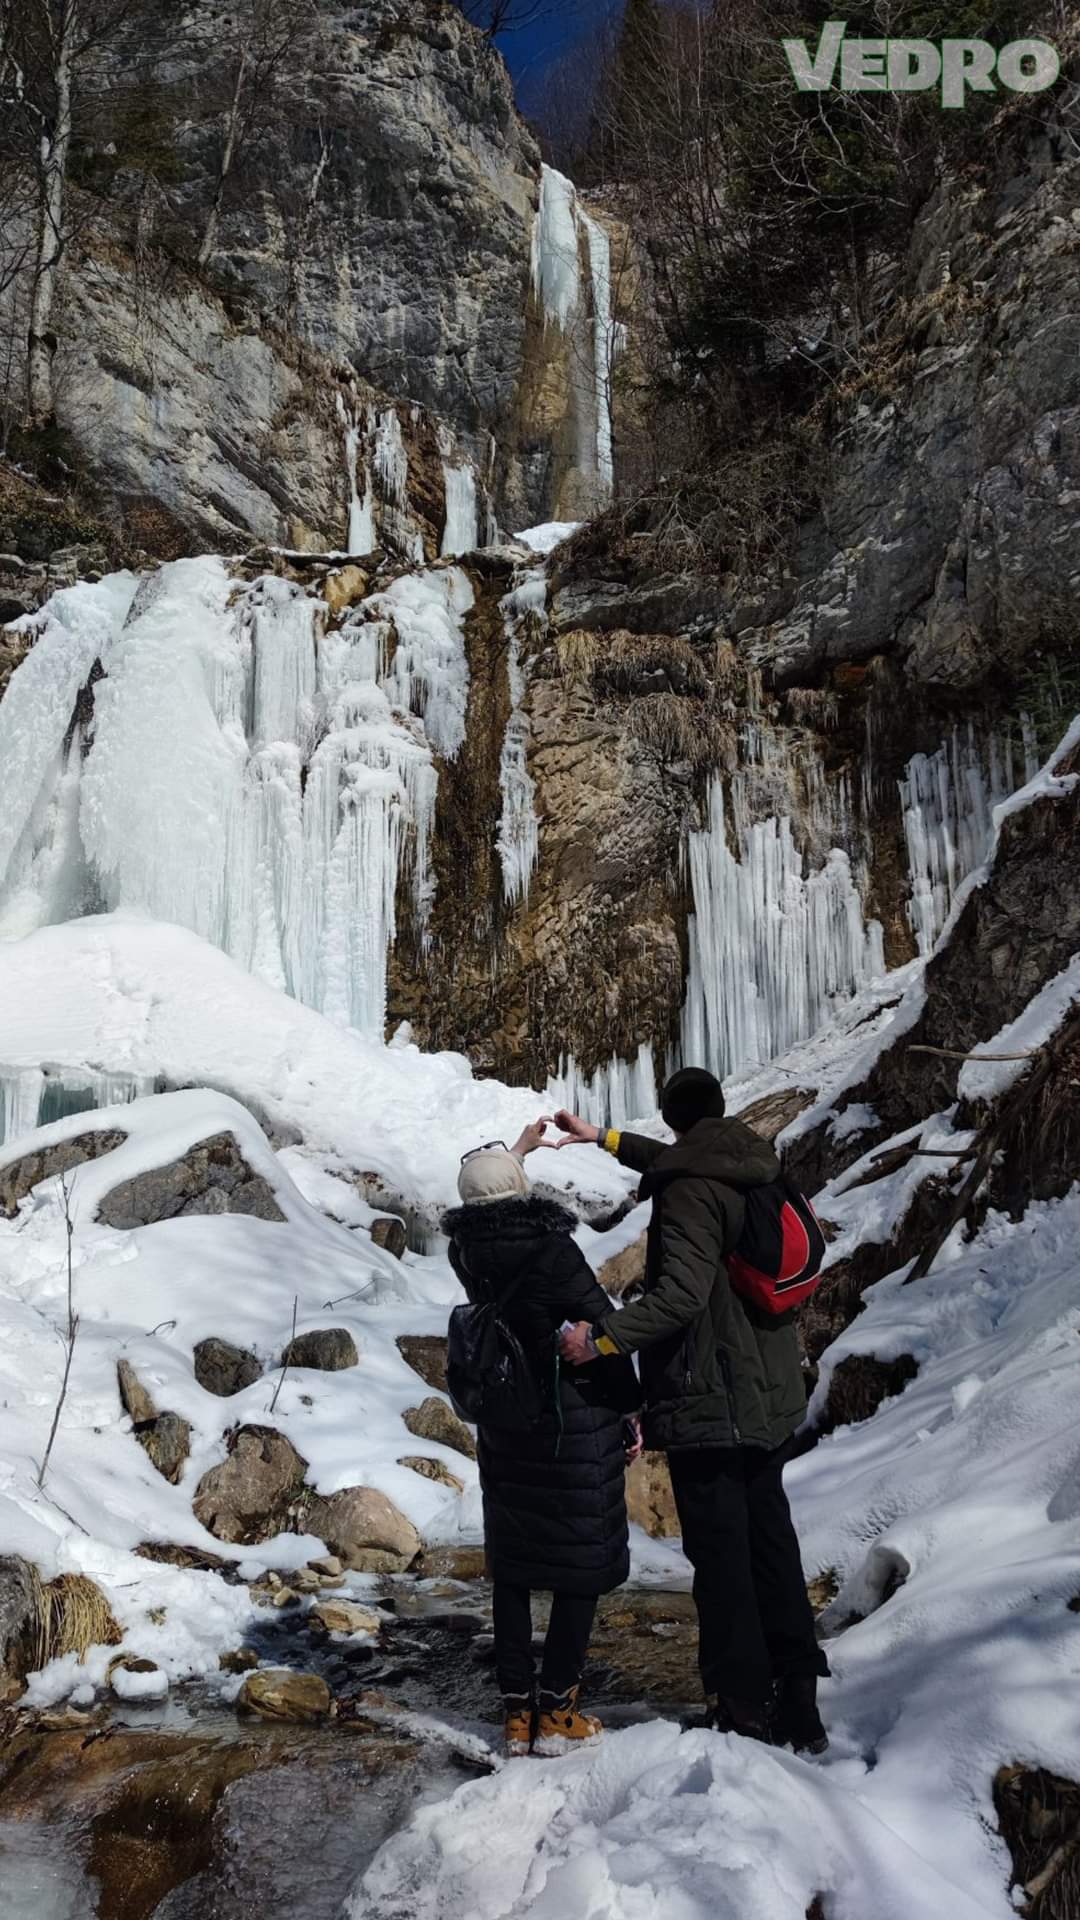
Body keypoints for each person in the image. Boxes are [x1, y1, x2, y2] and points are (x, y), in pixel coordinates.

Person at [555, 1067, 829, 1753]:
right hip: (768, 1394)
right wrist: (602, 1138)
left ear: (672, 1119)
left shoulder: (686, 1190)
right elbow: (672, 1162)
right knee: (771, 1543)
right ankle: (799, 1700)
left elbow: (679, 1296)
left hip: (713, 1397)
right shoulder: (753, 1163)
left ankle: (741, 1708)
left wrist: (601, 1339)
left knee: (722, 1557)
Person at [443, 1119, 640, 1759]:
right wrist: (631, 1408)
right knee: (579, 1565)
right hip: (571, 1423)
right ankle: (558, 1712)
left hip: (507, 1423)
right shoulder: (553, 1250)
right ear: (522, 1189)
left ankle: (516, 1717)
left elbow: (490, 1195)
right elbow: (603, 1327)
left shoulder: (465, 1251)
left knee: (515, 1569)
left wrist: (516, 1153)